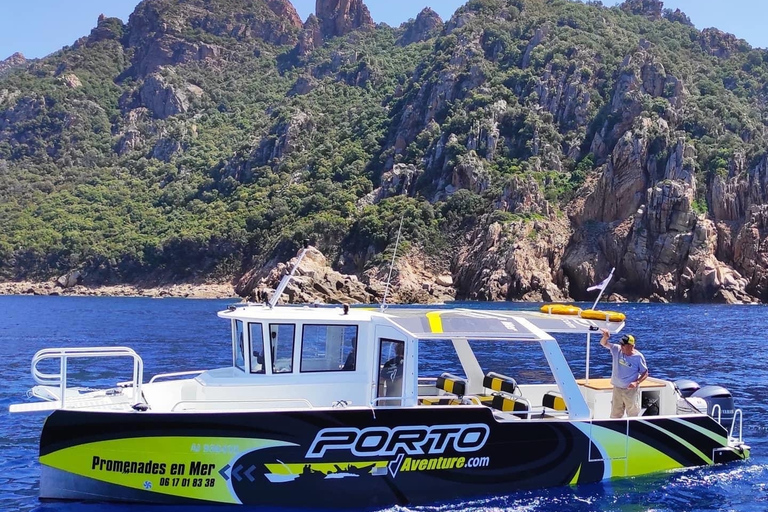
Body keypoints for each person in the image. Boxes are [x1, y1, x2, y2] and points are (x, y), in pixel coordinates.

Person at [600, 328, 648, 418]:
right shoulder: (616, 349)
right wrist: (605, 337)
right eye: (621, 344)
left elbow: (645, 372)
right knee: (615, 414)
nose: (621, 346)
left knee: (633, 414)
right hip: (617, 388)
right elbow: (603, 343)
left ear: (631, 346)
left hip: (630, 391)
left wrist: (636, 382)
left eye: (624, 345)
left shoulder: (638, 357)